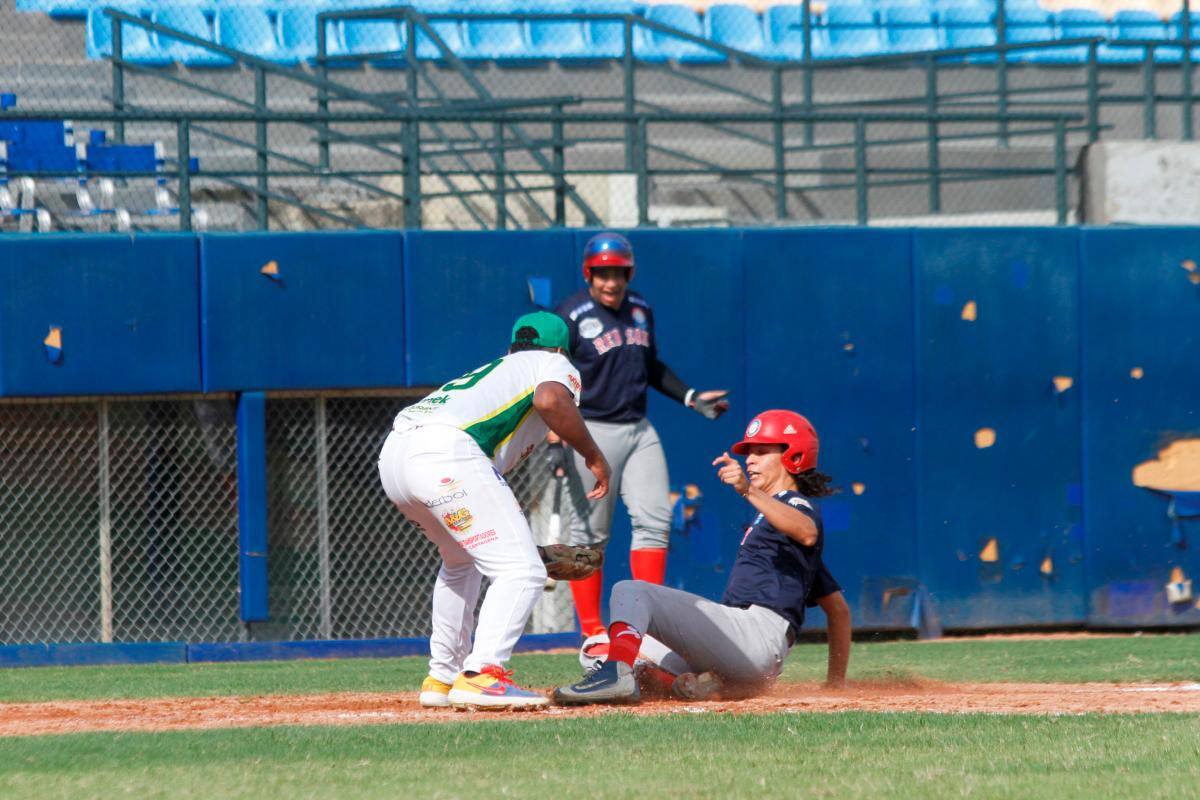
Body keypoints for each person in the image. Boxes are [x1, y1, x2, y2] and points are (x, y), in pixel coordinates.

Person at [378, 311, 611, 711]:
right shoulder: (553, 362)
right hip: (446, 453)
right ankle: (482, 673)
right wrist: (592, 454)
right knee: (523, 571)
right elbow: (550, 399)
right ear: (560, 347)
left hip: (395, 459)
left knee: (460, 562)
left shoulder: (501, 367)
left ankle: (443, 676)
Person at [552, 409, 851, 704]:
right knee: (597, 648)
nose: (750, 460)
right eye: (749, 453)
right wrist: (835, 683)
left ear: (794, 457)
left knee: (629, 590)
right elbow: (838, 610)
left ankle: (618, 677)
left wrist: (747, 490)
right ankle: (687, 685)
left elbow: (807, 530)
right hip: (739, 654)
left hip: (755, 635)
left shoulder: (793, 503)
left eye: (762, 451)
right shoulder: (783, 542)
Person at [552, 231, 730, 638]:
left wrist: (690, 397)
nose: (611, 282)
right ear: (588, 273)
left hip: (638, 429)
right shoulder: (571, 314)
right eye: (602, 274)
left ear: (629, 273)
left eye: (619, 273)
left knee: (655, 520)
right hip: (591, 431)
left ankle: (643, 626)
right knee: (589, 536)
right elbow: (551, 380)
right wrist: (555, 436)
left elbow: (650, 366)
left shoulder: (640, 309)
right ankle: (593, 632)